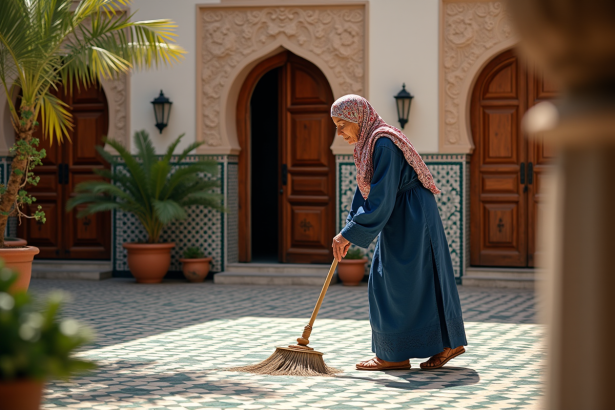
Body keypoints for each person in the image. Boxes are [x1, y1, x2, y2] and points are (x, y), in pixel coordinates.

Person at [331, 95, 467, 371]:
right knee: (396, 281)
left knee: (400, 281)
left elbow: (380, 199)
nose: (339, 133)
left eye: (341, 125)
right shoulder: (369, 145)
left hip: (413, 215)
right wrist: (348, 230)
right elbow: (365, 191)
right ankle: (400, 353)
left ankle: (423, 349)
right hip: (402, 214)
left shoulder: (383, 143)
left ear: (358, 119)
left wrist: (349, 233)